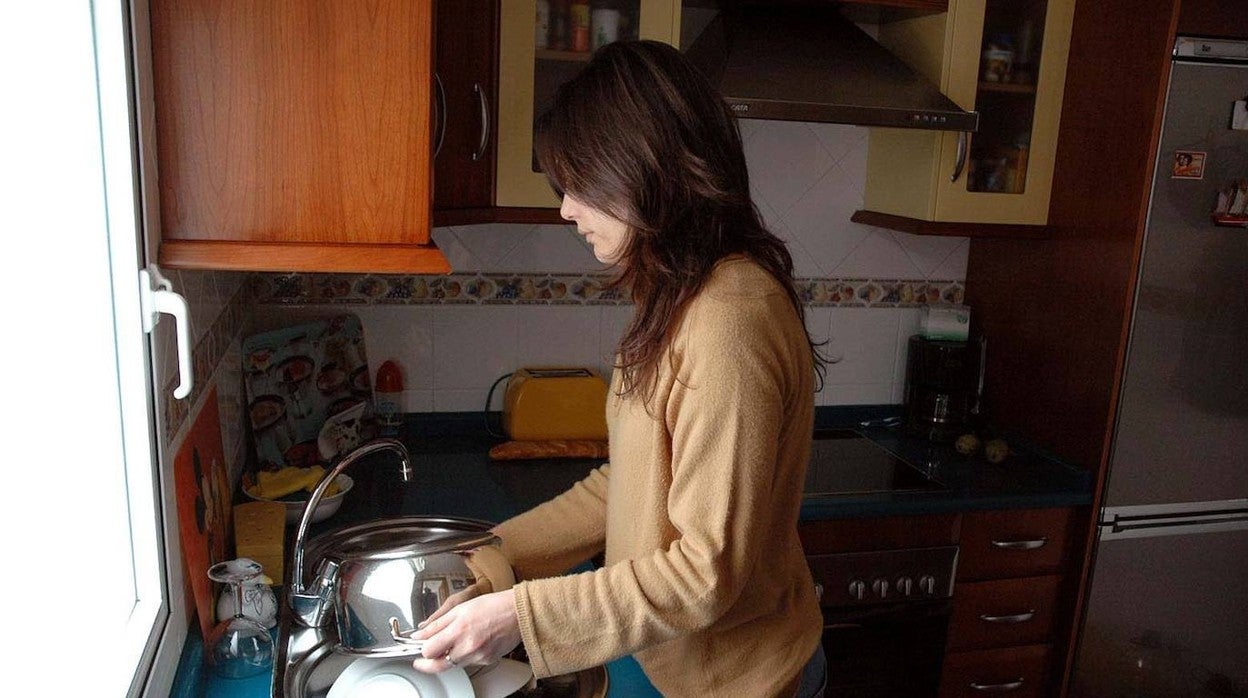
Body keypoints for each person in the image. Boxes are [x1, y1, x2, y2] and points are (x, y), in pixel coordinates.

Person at [410, 40, 828, 698]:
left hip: (735, 680)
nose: (565, 208)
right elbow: (628, 488)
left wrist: (518, 615)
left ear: (642, 168)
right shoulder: (682, 295)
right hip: (668, 659)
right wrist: (491, 553)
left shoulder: (727, 321)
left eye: (578, 183)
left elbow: (703, 573)